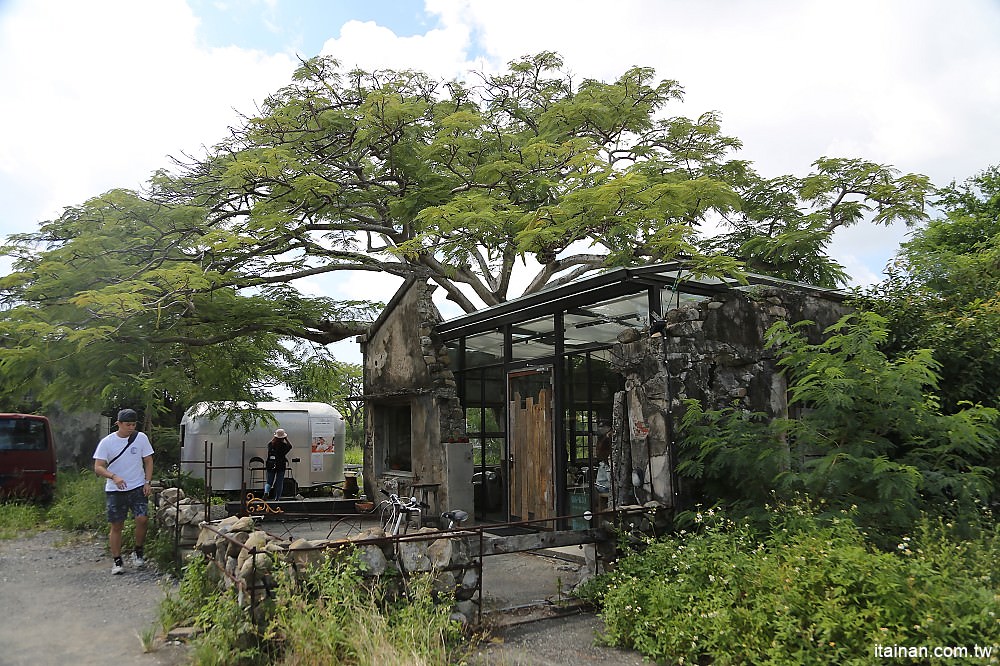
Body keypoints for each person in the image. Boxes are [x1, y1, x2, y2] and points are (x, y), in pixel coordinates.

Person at [93, 408, 154, 575]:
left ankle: (138, 551)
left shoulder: (141, 438)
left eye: (134, 424)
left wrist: (147, 482)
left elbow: (148, 460)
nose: (131, 427)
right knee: (116, 525)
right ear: (118, 424)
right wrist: (113, 476)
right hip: (116, 489)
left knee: (142, 519)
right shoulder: (107, 442)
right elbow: (98, 467)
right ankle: (117, 560)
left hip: (137, 486)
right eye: (128, 424)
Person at [264, 428, 293, 500]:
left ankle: (266, 492)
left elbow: (272, 441)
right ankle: (277, 498)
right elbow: (290, 446)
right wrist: (286, 439)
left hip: (271, 465)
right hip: (281, 465)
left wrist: (275, 437)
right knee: (279, 482)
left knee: (269, 481)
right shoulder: (284, 446)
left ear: (275, 436)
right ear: (283, 437)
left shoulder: (270, 444)